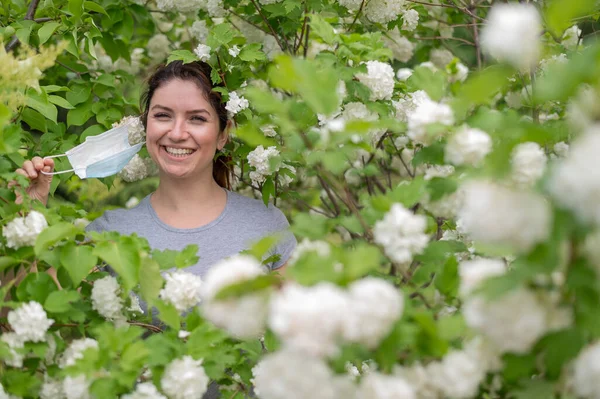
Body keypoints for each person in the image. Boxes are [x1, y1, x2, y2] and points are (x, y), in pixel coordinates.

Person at [17, 61, 297, 277]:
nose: (176, 133)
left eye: (197, 119)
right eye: (162, 115)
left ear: (223, 134)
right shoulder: (110, 234)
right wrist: (26, 213)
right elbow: (26, 313)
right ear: (145, 125)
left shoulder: (266, 226)